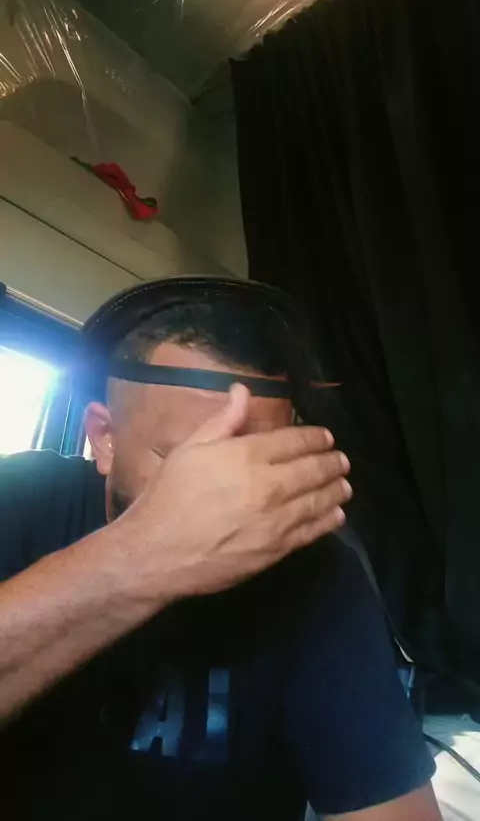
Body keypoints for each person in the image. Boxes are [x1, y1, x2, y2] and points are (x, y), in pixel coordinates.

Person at [0, 277, 440, 820]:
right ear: (105, 436)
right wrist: (141, 559)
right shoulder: (21, 500)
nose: (230, 501)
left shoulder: (317, 575)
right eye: (188, 464)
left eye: (255, 460)